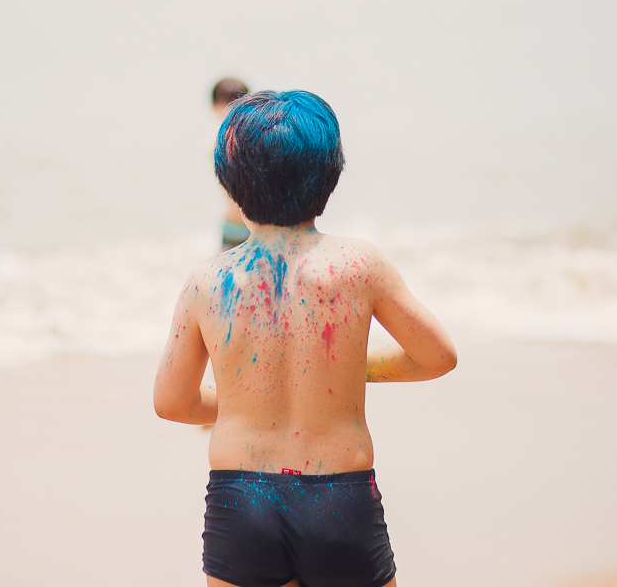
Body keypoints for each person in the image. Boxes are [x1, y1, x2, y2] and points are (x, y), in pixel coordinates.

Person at [155, 90, 457, 587]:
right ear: (331, 177)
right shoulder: (361, 265)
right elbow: (437, 356)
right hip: (340, 498)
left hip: (242, 499)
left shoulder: (207, 282)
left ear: (230, 183)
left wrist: (240, 400)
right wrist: (348, 369)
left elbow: (172, 402)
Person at [211, 78, 250, 251]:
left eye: (236, 103)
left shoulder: (254, 140)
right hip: (233, 226)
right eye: (225, 103)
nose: (231, 109)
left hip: (259, 227)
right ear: (214, 106)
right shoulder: (214, 145)